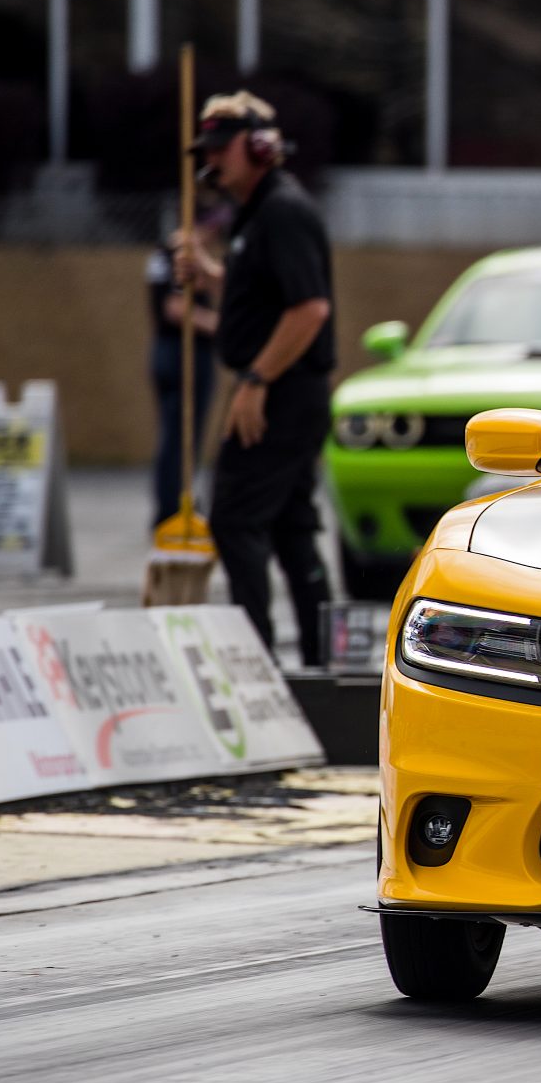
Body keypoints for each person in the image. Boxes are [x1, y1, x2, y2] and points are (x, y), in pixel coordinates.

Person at [176, 91, 335, 667]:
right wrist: (213, 275)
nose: (211, 160)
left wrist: (256, 380)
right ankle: (321, 663)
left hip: (282, 392)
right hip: (283, 389)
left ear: (261, 146)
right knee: (291, 530)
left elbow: (309, 309)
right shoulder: (256, 214)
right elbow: (269, 297)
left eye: (222, 147)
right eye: (207, 148)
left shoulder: (282, 211)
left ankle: (258, 666)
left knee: (236, 520)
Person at [145, 202, 222, 528]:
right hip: (183, 352)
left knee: (176, 433)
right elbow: (177, 308)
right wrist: (220, 325)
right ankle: (173, 506)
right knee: (182, 434)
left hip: (165, 351)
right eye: (211, 228)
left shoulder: (159, 255)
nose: (215, 235)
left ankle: (175, 499)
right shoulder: (179, 255)